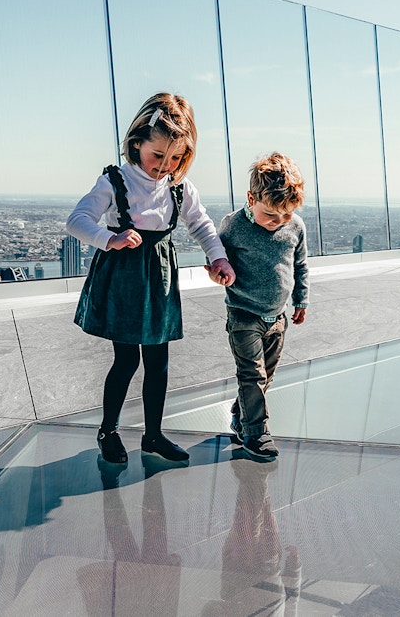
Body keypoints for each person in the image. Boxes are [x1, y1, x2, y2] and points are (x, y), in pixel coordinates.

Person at [66, 92, 235, 464]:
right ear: (136, 142)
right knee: (126, 360)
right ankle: (108, 430)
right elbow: (77, 220)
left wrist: (218, 258)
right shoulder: (115, 181)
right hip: (124, 277)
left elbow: (202, 225)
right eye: (157, 155)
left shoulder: (178, 186)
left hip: (158, 278)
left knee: (158, 362)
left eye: (175, 157)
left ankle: (153, 436)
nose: (165, 165)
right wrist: (110, 239)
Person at [206, 152, 309, 459]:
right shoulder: (234, 225)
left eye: (286, 215)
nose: (278, 222)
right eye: (271, 215)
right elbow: (216, 257)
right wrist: (217, 272)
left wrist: (301, 299)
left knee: (266, 376)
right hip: (243, 315)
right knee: (252, 375)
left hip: (277, 317)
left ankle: (242, 413)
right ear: (251, 198)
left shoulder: (296, 227)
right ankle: (256, 433)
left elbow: (300, 265)